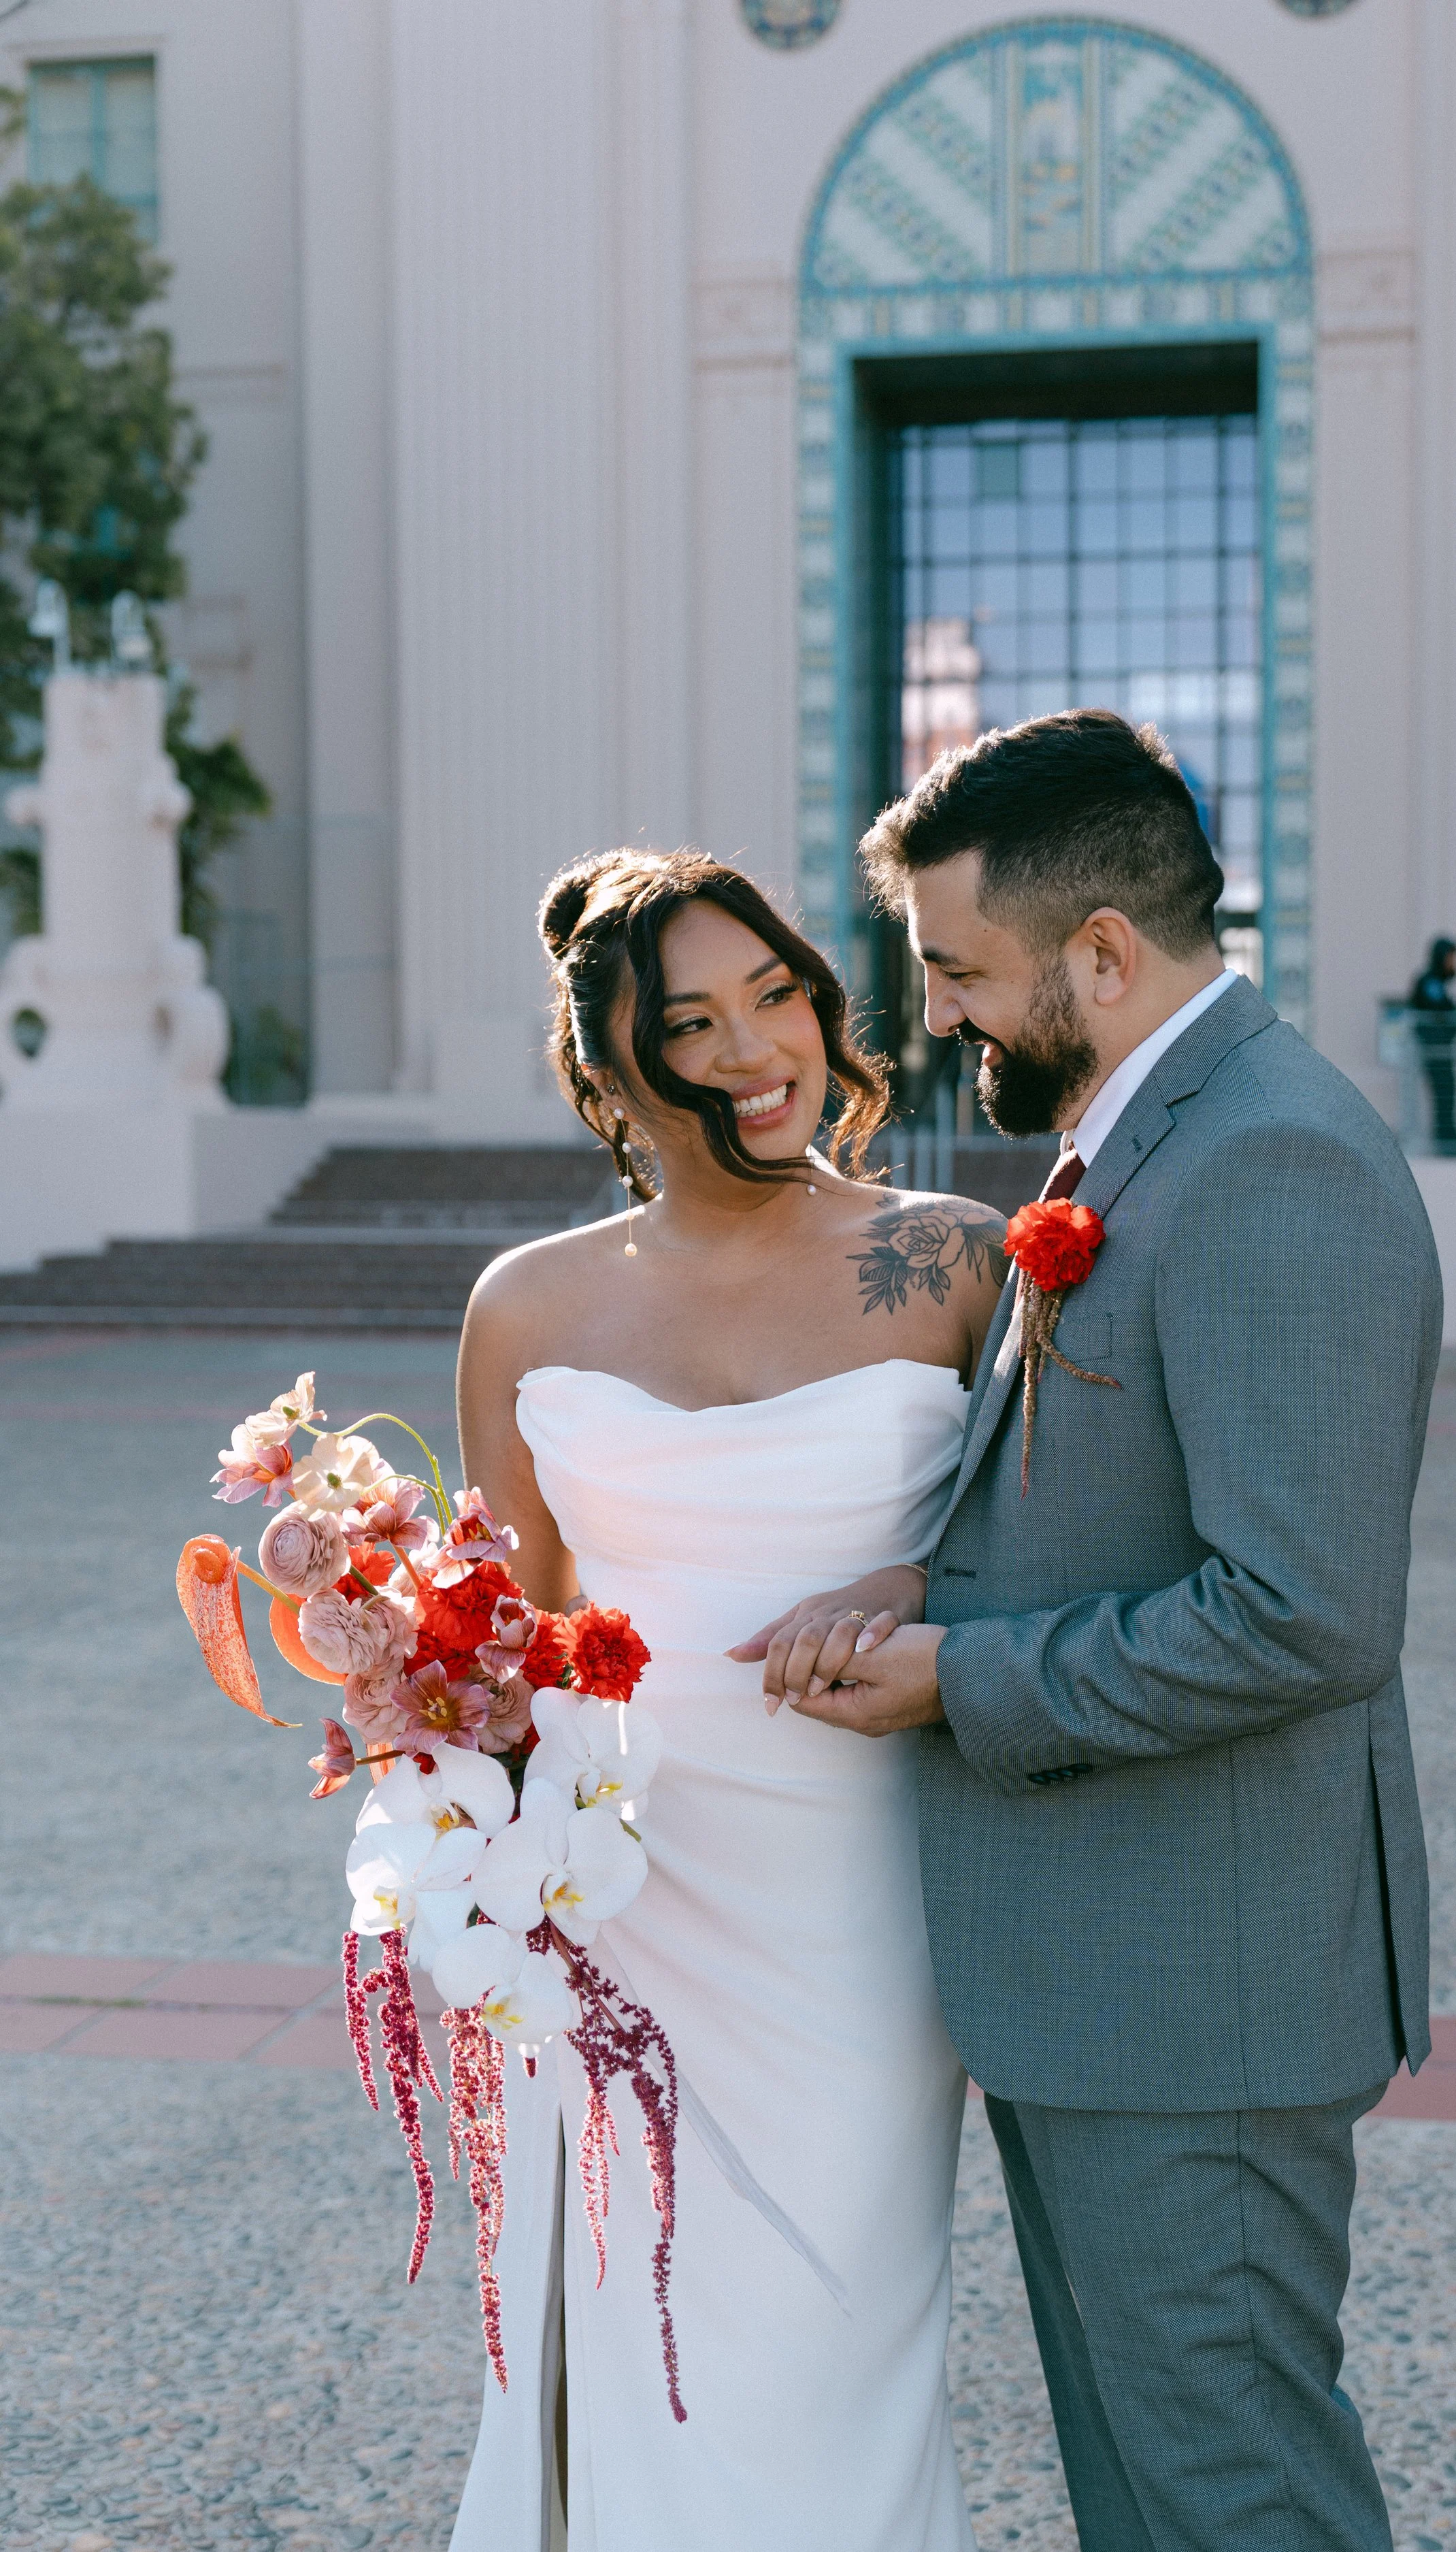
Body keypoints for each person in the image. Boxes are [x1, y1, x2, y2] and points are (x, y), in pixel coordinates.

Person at [740, 709, 1444, 2552]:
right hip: (1110, 1988)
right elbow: (1117, 1497)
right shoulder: (1139, 1139)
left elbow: (1302, 1614)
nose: (943, 1018)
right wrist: (926, 1583)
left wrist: (954, 1677)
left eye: (961, 971)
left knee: (1236, 2497)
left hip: (1194, 1997)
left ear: (1104, 952)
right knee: (1153, 2500)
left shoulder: (1273, 1159)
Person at [450, 847, 1008, 2550]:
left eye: (774, 991)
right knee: (635, 2329)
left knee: (831, 2338)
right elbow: (509, 1643)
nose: (758, 1045)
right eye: (690, 1022)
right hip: (618, 1898)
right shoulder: (525, 1304)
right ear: (612, 1071)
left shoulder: (959, 1259)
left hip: (861, 1904)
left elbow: (1040, 1556)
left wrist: (915, 1586)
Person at [1408, 935, 1456, 1154]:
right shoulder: (1429, 983)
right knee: (1444, 1097)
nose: (1454, 963)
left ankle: (1449, 1143)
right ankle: (1447, 1146)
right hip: (1435, 1054)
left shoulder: (1435, 984)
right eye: (1451, 958)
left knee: (1448, 1096)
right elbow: (1440, 1010)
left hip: (1440, 1053)